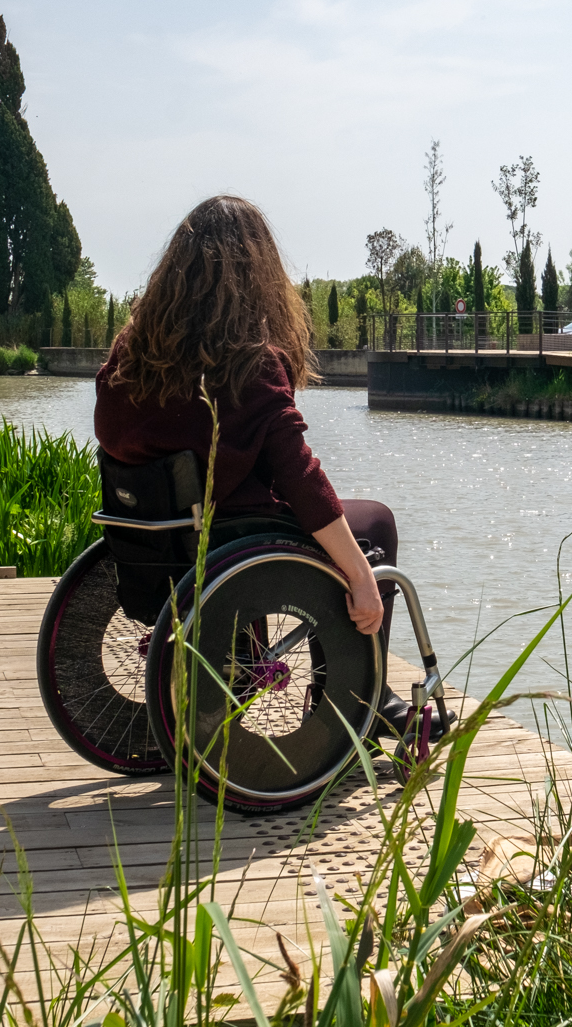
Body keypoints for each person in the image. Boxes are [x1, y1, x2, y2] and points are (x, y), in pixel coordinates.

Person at [94, 195, 415, 734]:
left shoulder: (129, 353)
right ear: (257, 275)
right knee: (373, 523)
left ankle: (242, 667)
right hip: (230, 542)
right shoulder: (249, 362)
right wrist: (360, 573)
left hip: (158, 542)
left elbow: (116, 438)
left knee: (308, 521)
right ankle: (359, 700)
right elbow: (301, 478)